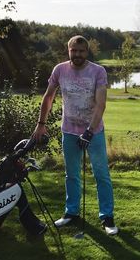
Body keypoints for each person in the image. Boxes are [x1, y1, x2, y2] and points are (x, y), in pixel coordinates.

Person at [31, 35, 118, 235]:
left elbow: (101, 104)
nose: (77, 54)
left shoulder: (98, 71)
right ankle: (72, 213)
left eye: (81, 51)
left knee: (101, 174)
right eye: (74, 50)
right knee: (71, 174)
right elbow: (49, 96)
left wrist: (89, 131)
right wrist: (41, 124)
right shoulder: (59, 70)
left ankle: (107, 217)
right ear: (68, 50)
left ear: (86, 52)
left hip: (93, 132)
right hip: (68, 131)